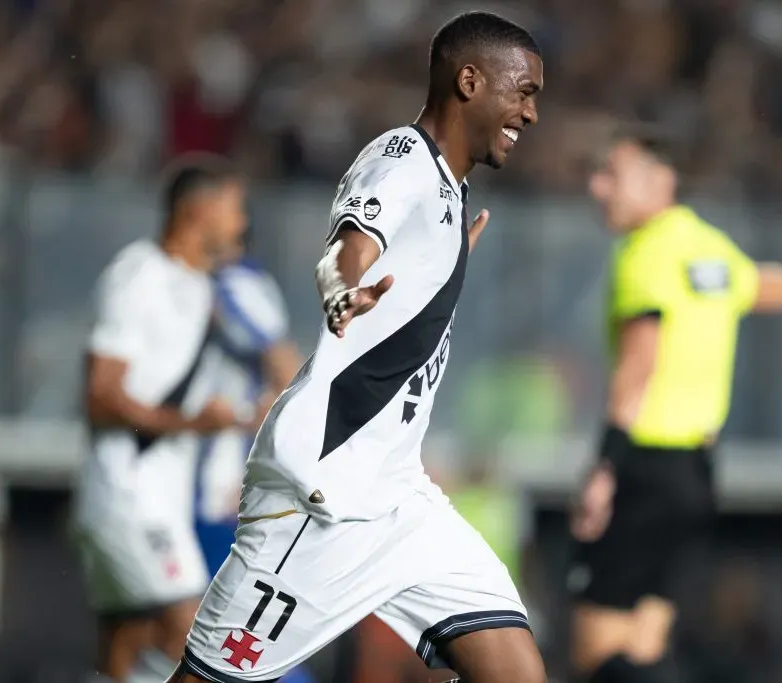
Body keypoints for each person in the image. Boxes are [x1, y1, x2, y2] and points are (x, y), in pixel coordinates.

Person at [169, 11, 546, 683]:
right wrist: (341, 289)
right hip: (322, 498)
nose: (532, 112)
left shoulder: (449, 192)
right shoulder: (401, 159)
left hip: (398, 496)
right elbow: (346, 249)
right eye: (524, 91)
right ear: (469, 80)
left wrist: (441, 270)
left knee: (516, 672)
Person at [569, 132, 782, 683]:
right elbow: (756, 286)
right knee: (646, 645)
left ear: (661, 181)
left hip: (642, 468)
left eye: (612, 175)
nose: (596, 187)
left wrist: (605, 466)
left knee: (596, 651)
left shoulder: (644, 254)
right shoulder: (705, 245)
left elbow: (637, 367)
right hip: (695, 474)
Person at [74, 156, 250, 682]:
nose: (242, 222)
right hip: (128, 492)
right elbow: (100, 396)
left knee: (123, 655)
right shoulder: (139, 277)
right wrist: (194, 425)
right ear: (201, 210)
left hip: (157, 497)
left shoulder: (200, 287)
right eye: (235, 208)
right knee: (195, 640)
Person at [195, 244, 310, 683]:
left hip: (219, 496)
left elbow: (285, 370)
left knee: (235, 644)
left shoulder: (235, 281)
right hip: (205, 493)